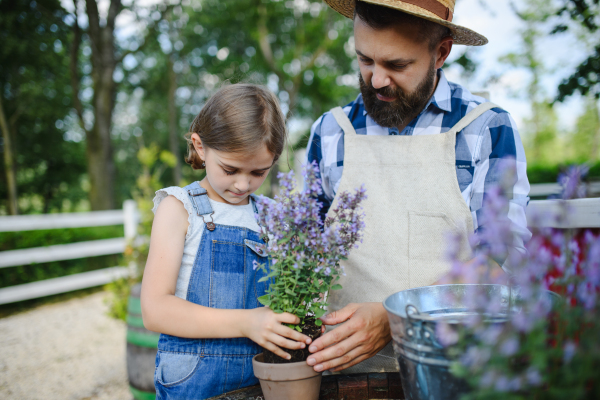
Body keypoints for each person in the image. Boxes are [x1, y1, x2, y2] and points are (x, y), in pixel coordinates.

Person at [304, 0, 532, 374]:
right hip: (346, 374)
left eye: (397, 65)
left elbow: (499, 261)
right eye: (365, 60)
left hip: (455, 371)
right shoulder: (330, 132)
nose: (376, 79)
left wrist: (399, 317)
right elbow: (306, 254)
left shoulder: (485, 129)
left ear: (440, 52)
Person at [140, 84, 312, 399]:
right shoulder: (179, 208)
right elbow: (155, 310)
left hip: (263, 379)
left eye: (259, 172)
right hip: (194, 382)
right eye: (230, 169)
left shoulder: (271, 215)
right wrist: (248, 322)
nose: (243, 183)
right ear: (200, 146)